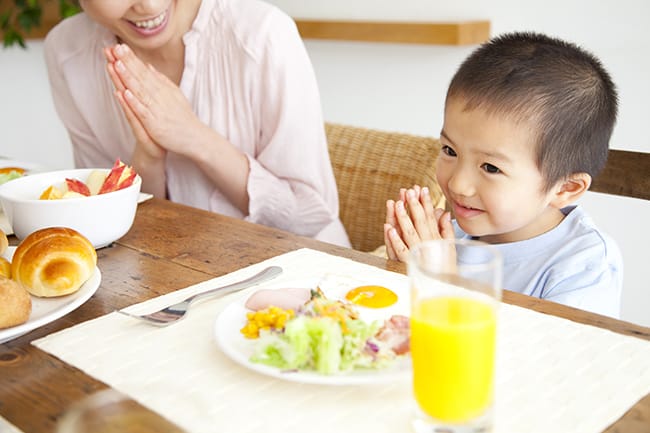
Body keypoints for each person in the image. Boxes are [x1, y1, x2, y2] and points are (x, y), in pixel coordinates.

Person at [43, 0, 350, 247]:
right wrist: (148, 159)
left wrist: (193, 136)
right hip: (170, 284)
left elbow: (311, 217)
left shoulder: (263, 35)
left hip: (306, 282)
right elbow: (102, 222)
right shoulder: (68, 52)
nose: (149, 6)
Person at [383, 32, 622, 318]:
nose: (458, 183)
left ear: (565, 188)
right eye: (449, 150)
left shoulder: (583, 266)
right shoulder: (452, 237)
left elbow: (550, 358)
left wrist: (445, 288)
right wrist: (404, 273)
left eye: (491, 168)